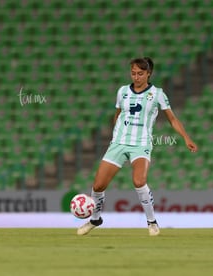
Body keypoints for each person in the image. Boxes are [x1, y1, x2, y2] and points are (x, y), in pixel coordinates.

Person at [77, 57, 198, 236]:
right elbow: (117, 114)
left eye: (140, 74)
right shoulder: (123, 91)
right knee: (98, 185)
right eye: (133, 73)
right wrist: (117, 134)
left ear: (148, 74)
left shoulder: (157, 94)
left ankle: (152, 222)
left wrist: (186, 137)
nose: (136, 77)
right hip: (119, 143)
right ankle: (95, 219)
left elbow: (172, 119)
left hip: (141, 144)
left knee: (139, 181)